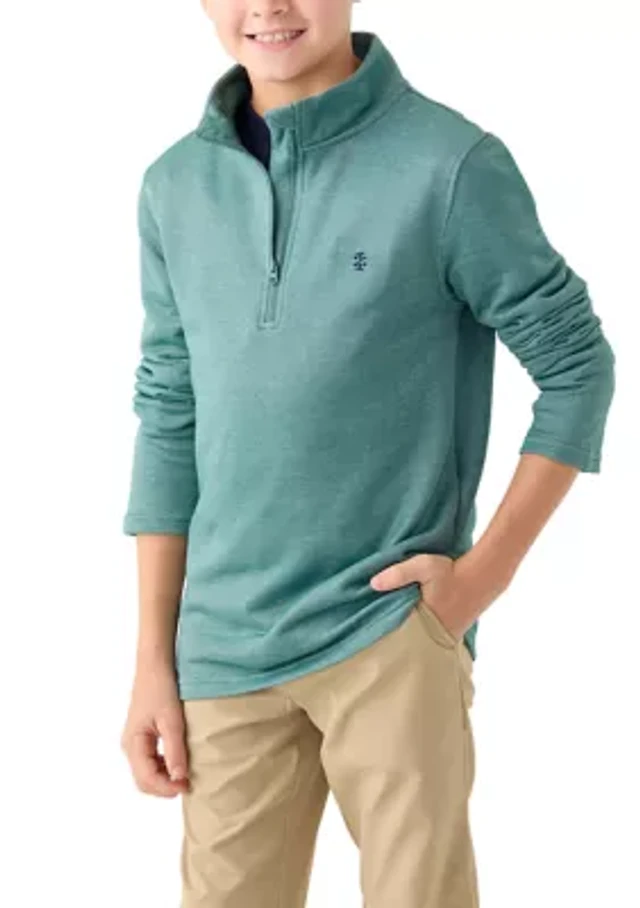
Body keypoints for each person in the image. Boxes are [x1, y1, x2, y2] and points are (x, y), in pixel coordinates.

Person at [120, 2, 616, 906]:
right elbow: (168, 413)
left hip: (387, 631)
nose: (268, 5)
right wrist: (155, 657)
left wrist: (476, 583)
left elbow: (578, 366)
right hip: (223, 649)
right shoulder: (174, 187)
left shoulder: (449, 164)